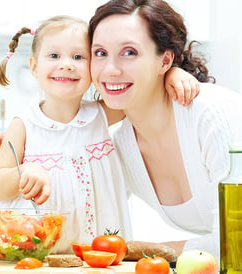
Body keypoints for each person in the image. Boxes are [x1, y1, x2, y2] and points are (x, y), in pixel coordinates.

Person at [0, 15, 199, 254]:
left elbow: (145, 91)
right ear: (34, 66)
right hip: (40, 253)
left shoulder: (102, 114)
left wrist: (172, 74)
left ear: (91, 68)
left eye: (78, 57)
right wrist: (23, 171)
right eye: (54, 56)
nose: (66, 64)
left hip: (101, 253)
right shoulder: (24, 125)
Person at [88, 0, 242, 260]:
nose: (110, 69)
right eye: (100, 53)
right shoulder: (120, 145)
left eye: (129, 52)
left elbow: (235, 241)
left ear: (165, 60)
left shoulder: (212, 115)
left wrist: (143, 251)